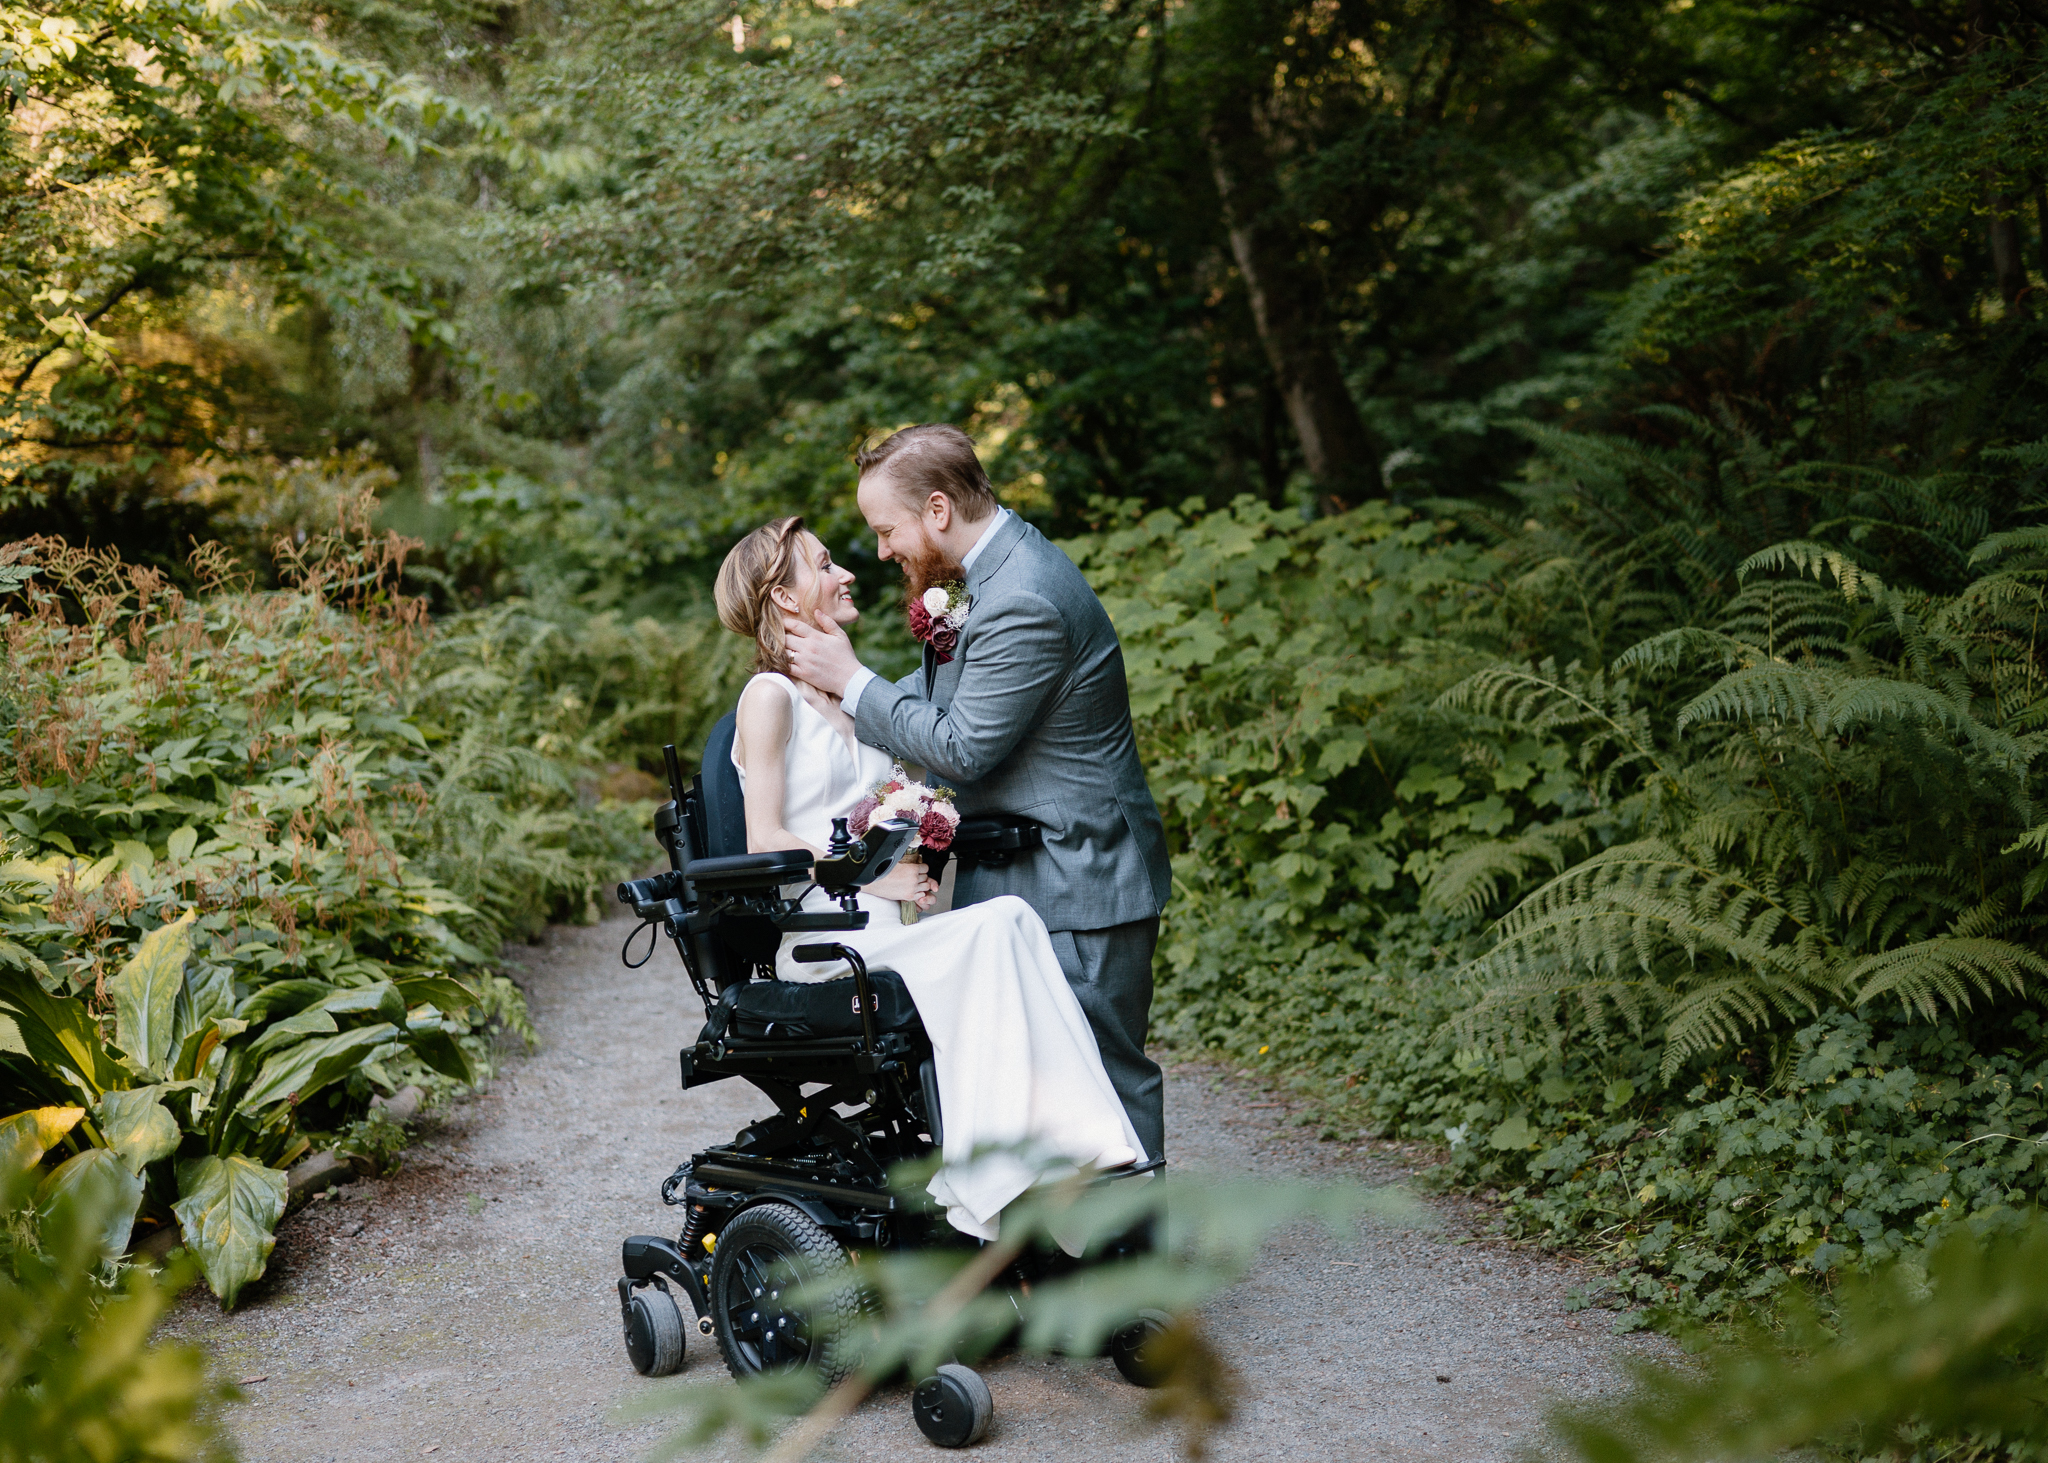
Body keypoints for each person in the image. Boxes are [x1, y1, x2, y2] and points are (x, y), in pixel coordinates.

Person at [714, 515, 1144, 1242]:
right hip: (828, 941)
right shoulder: (769, 697)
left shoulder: (847, 703)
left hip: (892, 932)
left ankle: (1073, 1155)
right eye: (823, 564)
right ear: (785, 599)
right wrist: (872, 879)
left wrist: (919, 852)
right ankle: (991, 1182)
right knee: (997, 926)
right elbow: (766, 840)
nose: (846, 571)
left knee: (1010, 916)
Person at [785, 424, 1172, 1163]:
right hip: (1024, 875)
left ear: (936, 510)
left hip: (1078, 878)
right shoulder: (984, 580)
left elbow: (964, 744)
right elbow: (945, 694)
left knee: (1103, 1077)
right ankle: (1065, 1263)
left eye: (885, 529)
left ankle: (1135, 1263)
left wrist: (852, 681)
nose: (881, 550)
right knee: (1039, 1086)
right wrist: (829, 701)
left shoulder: (1023, 595)